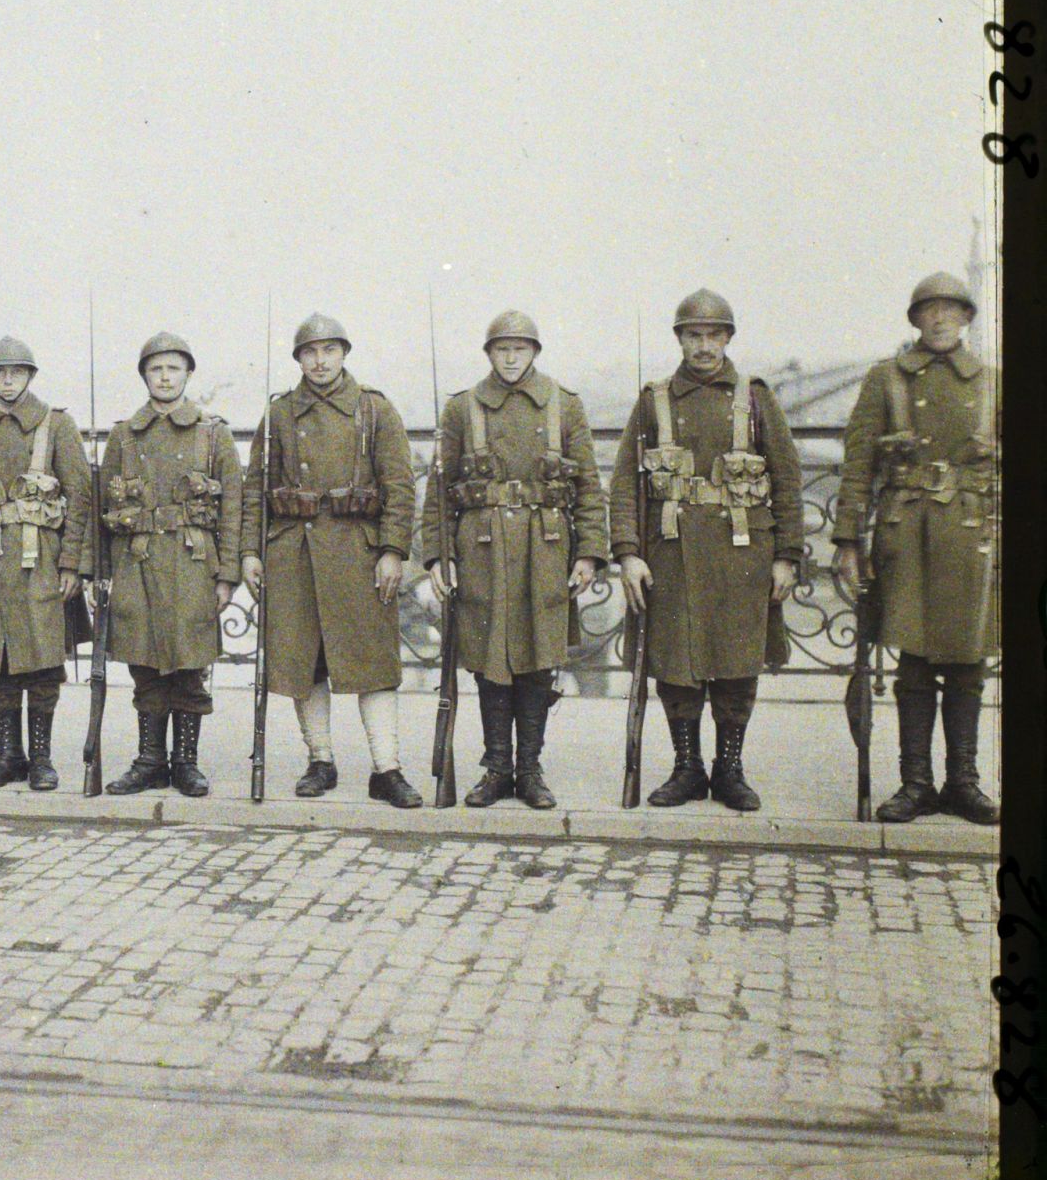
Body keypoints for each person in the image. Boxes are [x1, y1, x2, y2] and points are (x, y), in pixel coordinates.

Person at [612, 290, 802, 812]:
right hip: (670, 555)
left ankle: (730, 769)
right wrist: (628, 552)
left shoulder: (755, 398)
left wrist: (788, 555)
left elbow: (786, 478)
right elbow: (625, 483)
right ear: (680, 340)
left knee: (738, 663)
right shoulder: (653, 400)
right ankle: (687, 768)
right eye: (693, 335)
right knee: (676, 665)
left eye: (714, 335)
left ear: (727, 339)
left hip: (743, 555)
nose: (704, 345)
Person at [832, 272, 999, 825]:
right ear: (915, 319)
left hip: (972, 536)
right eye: (929, 310)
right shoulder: (888, 381)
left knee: (969, 662)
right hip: (905, 535)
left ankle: (965, 782)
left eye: (952, 310)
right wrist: (849, 540)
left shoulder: (994, 383)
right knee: (915, 663)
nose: (941, 318)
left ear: (968, 318)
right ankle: (915, 783)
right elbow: (858, 463)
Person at [421, 311, 607, 809]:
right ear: (488, 354)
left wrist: (589, 552)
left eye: (520, 349)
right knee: (488, 658)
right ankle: (497, 767)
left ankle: (530, 768)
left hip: (544, 550)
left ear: (535, 353)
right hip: (481, 550)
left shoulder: (564, 406)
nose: (510, 357)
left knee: (539, 657)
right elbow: (438, 493)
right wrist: (438, 556)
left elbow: (589, 486)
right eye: (501, 349)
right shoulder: (463, 409)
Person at [240, 313, 422, 806]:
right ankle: (320, 759)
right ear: (299, 359)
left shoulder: (373, 410)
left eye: (329, 351)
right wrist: (251, 552)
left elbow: (399, 487)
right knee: (305, 660)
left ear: (344, 354)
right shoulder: (278, 414)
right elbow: (254, 487)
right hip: (293, 553)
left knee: (374, 662)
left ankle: (387, 768)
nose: (320, 361)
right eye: (310, 352)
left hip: (358, 554)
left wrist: (392, 549)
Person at [97, 332, 243, 797]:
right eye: (156, 368)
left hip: (192, 563)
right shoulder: (124, 435)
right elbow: (101, 507)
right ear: (144, 375)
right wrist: (101, 575)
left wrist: (228, 575)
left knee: (188, 666)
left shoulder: (213, 433)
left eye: (173, 368)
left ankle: (186, 762)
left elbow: (234, 510)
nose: (164, 377)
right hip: (136, 564)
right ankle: (149, 760)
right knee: (144, 665)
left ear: (188, 374)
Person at [0, 337, 94, 792]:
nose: (8, 380)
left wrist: (73, 563)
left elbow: (81, 499)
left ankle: (42, 758)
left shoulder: (57, 425)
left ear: (30, 376)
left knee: (43, 661)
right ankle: (9, 754)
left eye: (17, 372)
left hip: (43, 567)